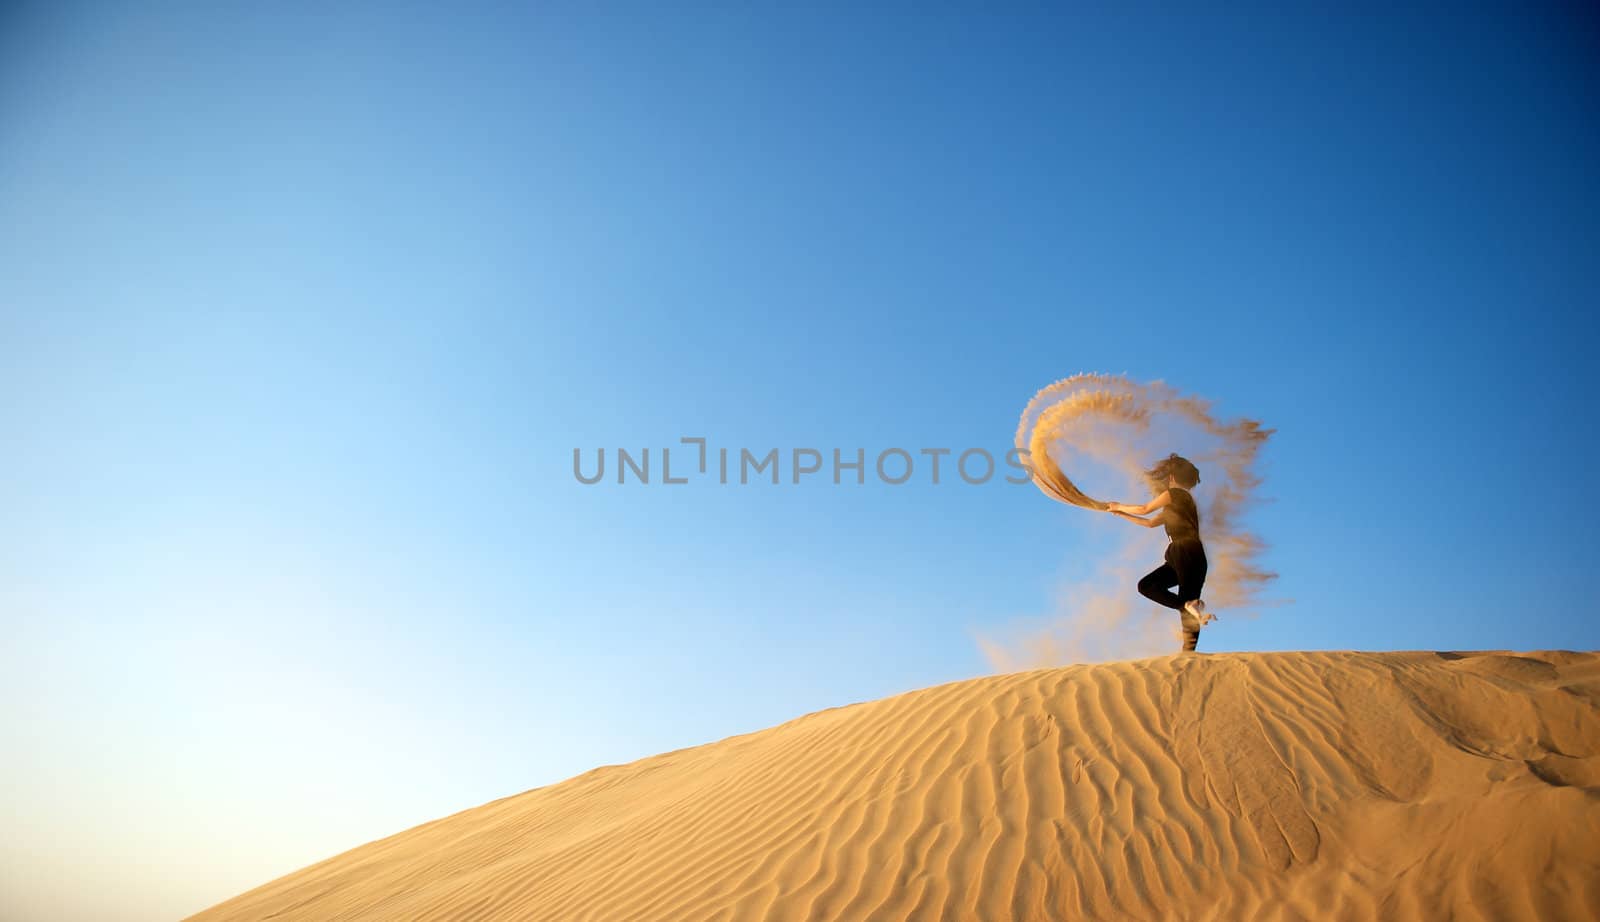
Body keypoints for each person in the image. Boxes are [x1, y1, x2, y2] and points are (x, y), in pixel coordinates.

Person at [1105, 454, 1215, 652]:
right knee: (1147, 586)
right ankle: (1188, 643)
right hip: (1185, 557)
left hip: (1185, 551)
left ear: (1171, 477)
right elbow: (1149, 523)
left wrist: (1118, 505)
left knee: (1185, 605)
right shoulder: (1180, 504)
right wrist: (1121, 514)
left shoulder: (1176, 494)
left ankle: (1188, 652)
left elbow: (1144, 509)